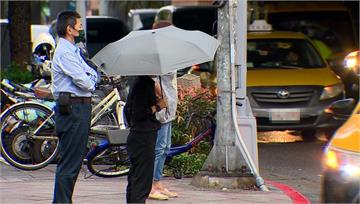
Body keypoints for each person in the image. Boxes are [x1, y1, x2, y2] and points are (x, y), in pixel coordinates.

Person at [51, 11, 98, 203]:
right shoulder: (64, 53)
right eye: (78, 25)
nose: (81, 28)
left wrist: (91, 78)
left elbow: (91, 74)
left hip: (79, 108)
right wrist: (91, 80)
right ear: (69, 29)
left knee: (74, 160)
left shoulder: (73, 50)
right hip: (73, 109)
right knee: (70, 162)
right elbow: (85, 82)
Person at [148, 21, 179, 200]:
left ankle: (158, 182)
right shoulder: (156, 55)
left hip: (170, 106)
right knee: (159, 147)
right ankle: (151, 185)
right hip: (162, 106)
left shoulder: (168, 53)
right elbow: (152, 80)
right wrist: (162, 99)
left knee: (165, 146)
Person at [125, 75, 167, 203]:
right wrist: (158, 106)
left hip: (140, 133)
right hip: (143, 135)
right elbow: (139, 113)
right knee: (142, 177)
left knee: (137, 175)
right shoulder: (143, 84)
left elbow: (128, 111)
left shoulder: (142, 82)